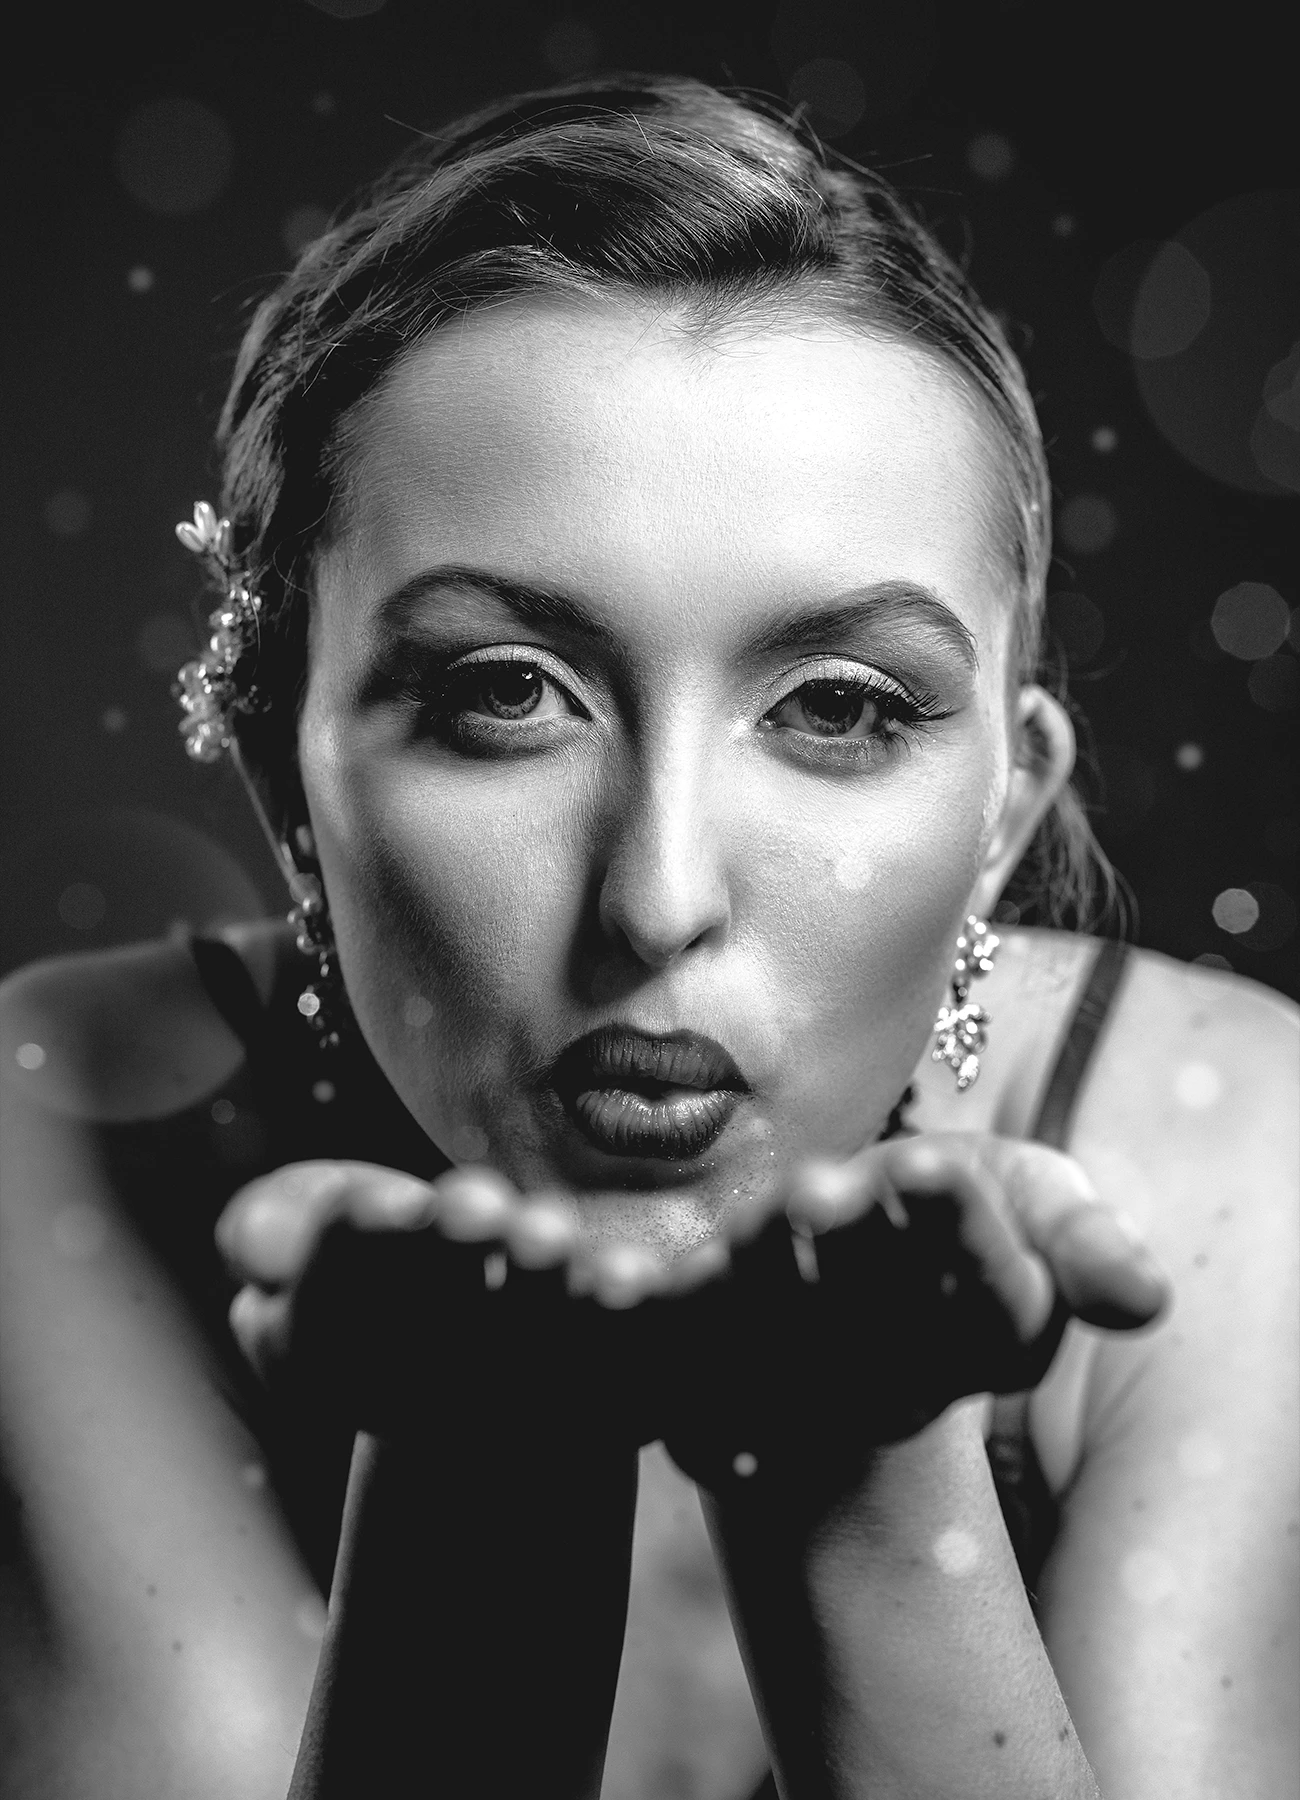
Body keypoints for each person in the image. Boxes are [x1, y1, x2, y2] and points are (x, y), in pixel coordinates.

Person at [1, 70, 1295, 1800]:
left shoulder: (1241, 1169)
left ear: (1000, 810)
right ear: (282, 775)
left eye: (837, 707)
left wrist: (872, 1486)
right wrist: (477, 1494)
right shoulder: (36, 1162)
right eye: (505, 696)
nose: (659, 898)